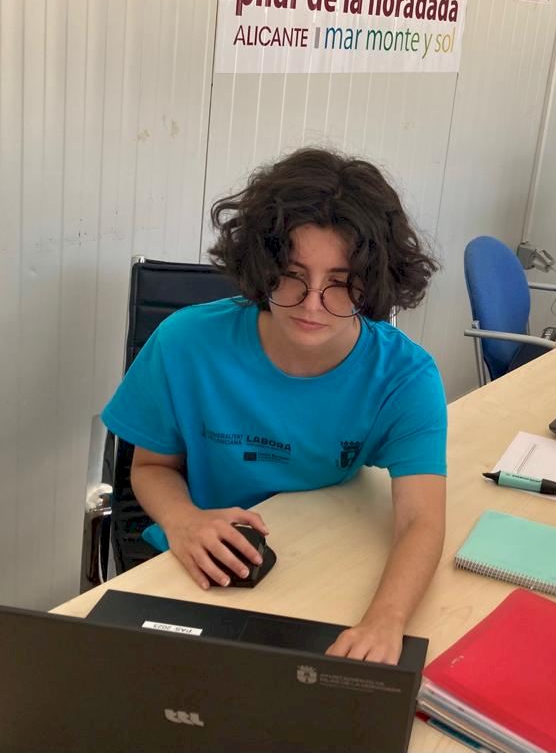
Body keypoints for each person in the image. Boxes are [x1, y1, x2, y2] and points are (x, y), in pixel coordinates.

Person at [101, 147, 446, 665]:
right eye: (292, 274)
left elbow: (421, 520)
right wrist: (183, 520)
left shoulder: (405, 377)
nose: (312, 304)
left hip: (326, 562)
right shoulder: (184, 342)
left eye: (339, 283)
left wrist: (385, 620)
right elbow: (151, 468)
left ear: (373, 282)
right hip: (201, 565)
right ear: (263, 266)